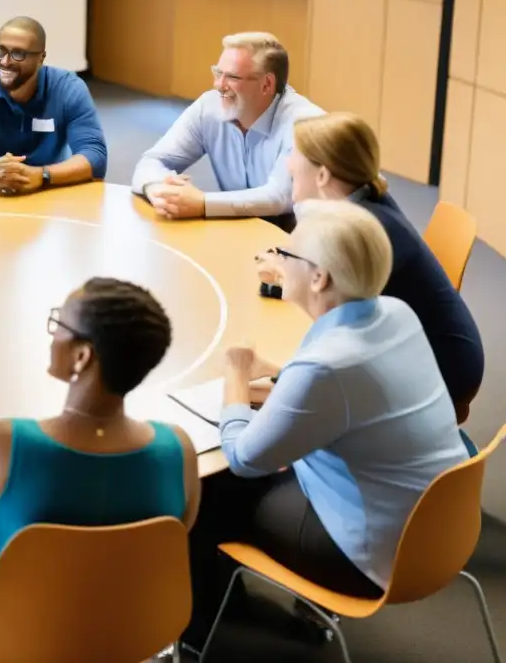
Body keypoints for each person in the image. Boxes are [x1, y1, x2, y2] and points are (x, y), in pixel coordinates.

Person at [185, 199, 469, 653]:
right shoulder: (396, 313)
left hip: (372, 550)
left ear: (318, 277)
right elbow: (350, 392)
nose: (278, 260)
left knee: (205, 492)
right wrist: (280, 377)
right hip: (437, 525)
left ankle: (203, 634)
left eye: (286, 253)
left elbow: (242, 457)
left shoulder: (326, 366)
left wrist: (237, 376)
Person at [0, 278, 200, 647]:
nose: (53, 335)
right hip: (130, 630)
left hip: (15, 634)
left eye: (60, 325)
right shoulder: (179, 450)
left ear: (82, 356)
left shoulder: (3, 443)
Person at [256, 112, 483, 423]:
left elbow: (333, 330)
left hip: (442, 371)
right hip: (437, 350)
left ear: (323, 176)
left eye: (295, 154)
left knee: (289, 396)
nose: (288, 164)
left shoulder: (361, 231)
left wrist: (287, 275)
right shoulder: (365, 206)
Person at [131, 32, 324, 229]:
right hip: (236, 229)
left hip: (293, 238)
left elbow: (279, 197)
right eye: (217, 73)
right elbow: (151, 161)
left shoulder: (305, 123)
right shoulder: (209, 107)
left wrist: (203, 203)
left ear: (266, 84)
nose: (219, 85)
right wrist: (160, 190)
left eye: (232, 77)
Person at [0, 16, 108, 194]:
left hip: (52, 186)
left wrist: (42, 175)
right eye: (0, 51)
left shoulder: (68, 89)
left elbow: (95, 156)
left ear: (41, 58)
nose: (5, 62)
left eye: (18, 53)